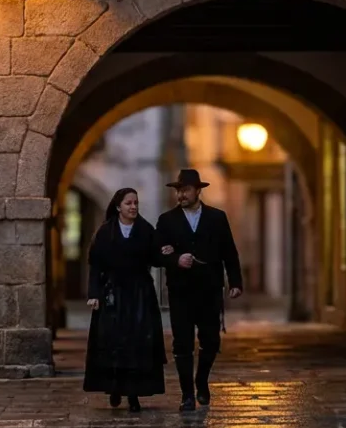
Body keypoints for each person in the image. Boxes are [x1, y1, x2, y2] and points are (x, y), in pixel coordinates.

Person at [156, 169, 244, 412]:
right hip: (180, 291)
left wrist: (235, 282)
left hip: (209, 289)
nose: (181, 194)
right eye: (178, 190)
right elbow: (157, 253)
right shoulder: (167, 220)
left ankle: (201, 380)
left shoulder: (217, 217)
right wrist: (175, 259)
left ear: (197, 191)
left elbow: (229, 252)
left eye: (185, 190)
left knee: (211, 340)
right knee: (182, 343)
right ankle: (186, 395)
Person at [83, 188, 167, 412]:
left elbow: (155, 258)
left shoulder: (145, 230)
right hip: (113, 295)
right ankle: (114, 388)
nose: (133, 207)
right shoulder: (105, 232)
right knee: (113, 343)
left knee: (137, 343)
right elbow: (96, 265)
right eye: (129, 203)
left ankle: (134, 393)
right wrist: (94, 294)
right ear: (118, 206)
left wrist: (165, 253)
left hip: (139, 294)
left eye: (135, 203)